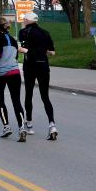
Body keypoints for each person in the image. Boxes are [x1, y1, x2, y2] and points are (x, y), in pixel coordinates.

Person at [18, 12, 57, 140]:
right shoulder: (46, 33)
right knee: (45, 96)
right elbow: (52, 52)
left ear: (29, 20)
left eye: (24, 19)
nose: (23, 21)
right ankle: (52, 124)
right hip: (43, 65)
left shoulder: (23, 32)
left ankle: (29, 124)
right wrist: (43, 50)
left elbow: (23, 48)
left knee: (29, 93)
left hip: (30, 66)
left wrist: (28, 50)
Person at [0, 17, 26, 141]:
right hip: (14, 72)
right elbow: (16, 55)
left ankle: (6, 126)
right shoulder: (13, 39)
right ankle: (22, 127)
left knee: (0, 101)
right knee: (16, 101)